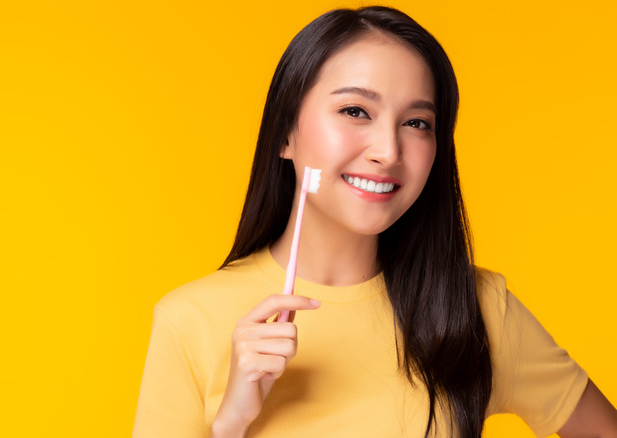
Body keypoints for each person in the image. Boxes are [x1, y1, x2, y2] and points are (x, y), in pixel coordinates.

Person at [133, 6, 617, 437]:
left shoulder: (478, 310)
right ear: (285, 134)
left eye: (416, 123)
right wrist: (231, 425)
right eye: (355, 111)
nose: (388, 151)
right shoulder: (188, 321)